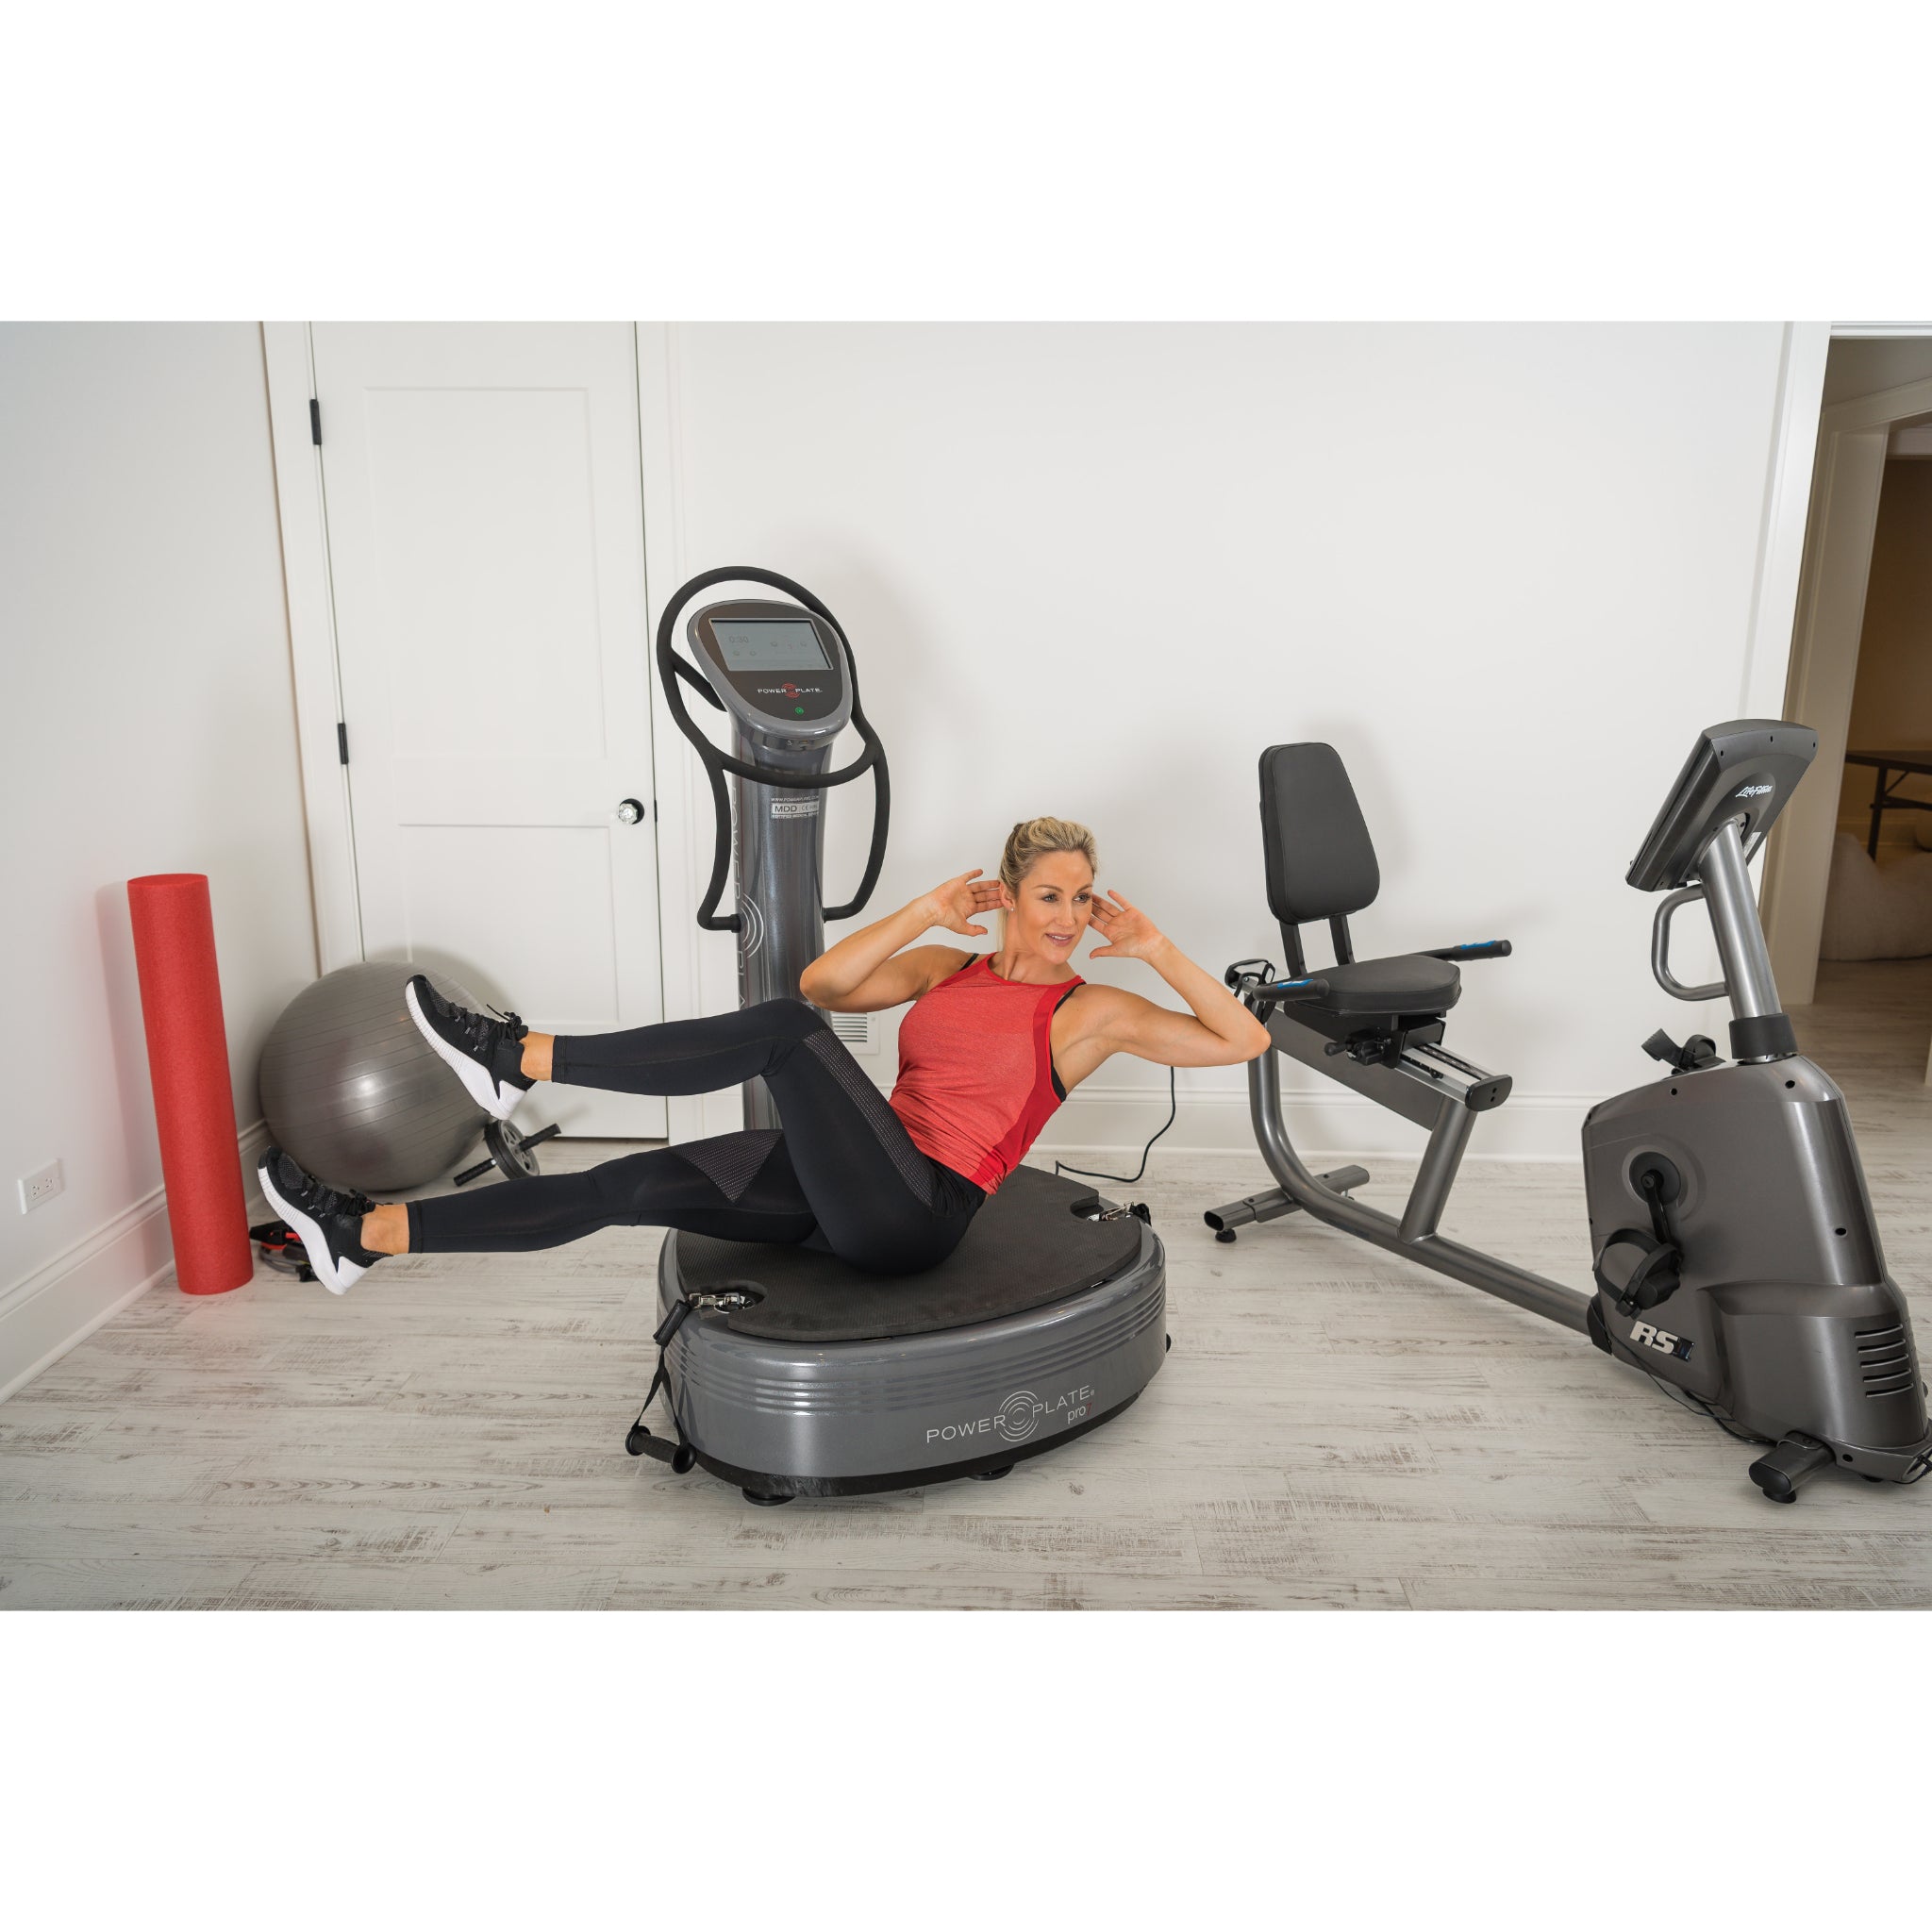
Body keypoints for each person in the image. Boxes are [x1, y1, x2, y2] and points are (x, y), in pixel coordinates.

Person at [258, 817, 1271, 1294]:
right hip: (854, 1179)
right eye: (1049, 895)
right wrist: (922, 909)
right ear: (1007, 896)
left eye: (1082, 897)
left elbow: (1243, 1039)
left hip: (917, 1210)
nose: (1069, 916)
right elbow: (827, 982)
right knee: (625, 1182)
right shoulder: (945, 967)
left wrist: (1155, 950)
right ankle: (368, 1235)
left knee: (783, 1034)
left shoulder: (1089, 1010)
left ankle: (517, 1059)